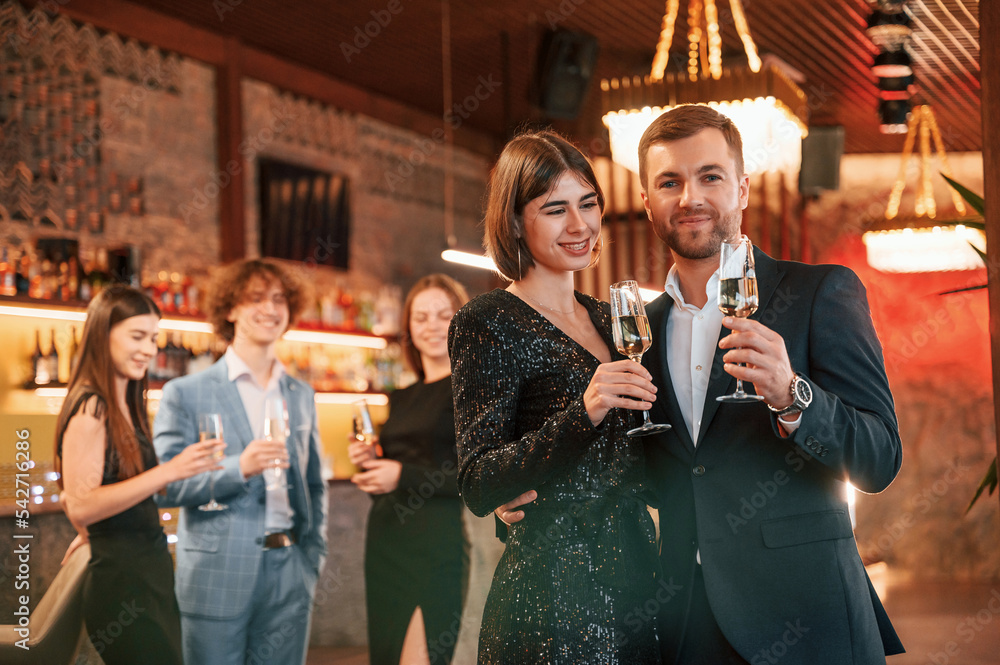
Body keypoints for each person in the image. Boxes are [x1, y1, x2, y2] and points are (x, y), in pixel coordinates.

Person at [502, 105, 906, 664]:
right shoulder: (640, 331)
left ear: (741, 189)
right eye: (670, 181)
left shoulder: (821, 293)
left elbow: (880, 458)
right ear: (647, 201)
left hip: (810, 622)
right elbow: (646, 472)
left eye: (710, 176)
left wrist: (794, 395)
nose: (690, 196)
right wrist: (536, 491)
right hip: (686, 626)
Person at [448, 130, 663, 663]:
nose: (580, 225)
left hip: (638, 573)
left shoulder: (609, 318)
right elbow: (479, 482)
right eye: (555, 209)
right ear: (516, 221)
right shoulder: (488, 321)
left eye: (588, 204)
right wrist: (584, 411)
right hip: (552, 589)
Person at [153, 259, 328, 665]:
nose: (269, 308)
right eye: (255, 298)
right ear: (230, 309)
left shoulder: (300, 394)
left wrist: (312, 557)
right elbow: (166, 487)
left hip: (290, 568)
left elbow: (314, 484)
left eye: (279, 299)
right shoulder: (185, 393)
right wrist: (239, 468)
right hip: (216, 575)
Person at [55, 285, 223, 665]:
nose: (149, 349)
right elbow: (82, 504)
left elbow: (79, 497)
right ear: (102, 334)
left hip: (148, 575)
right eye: (137, 336)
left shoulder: (125, 405)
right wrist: (168, 471)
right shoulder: (91, 408)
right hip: (123, 586)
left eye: (153, 338)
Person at [348, 273, 470, 665]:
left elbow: (475, 477)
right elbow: (396, 467)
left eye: (443, 315)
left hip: (437, 542)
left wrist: (401, 475)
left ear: (462, 320)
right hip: (386, 540)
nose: (431, 326)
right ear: (408, 329)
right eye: (420, 318)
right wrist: (372, 467)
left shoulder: (473, 389)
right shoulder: (400, 397)